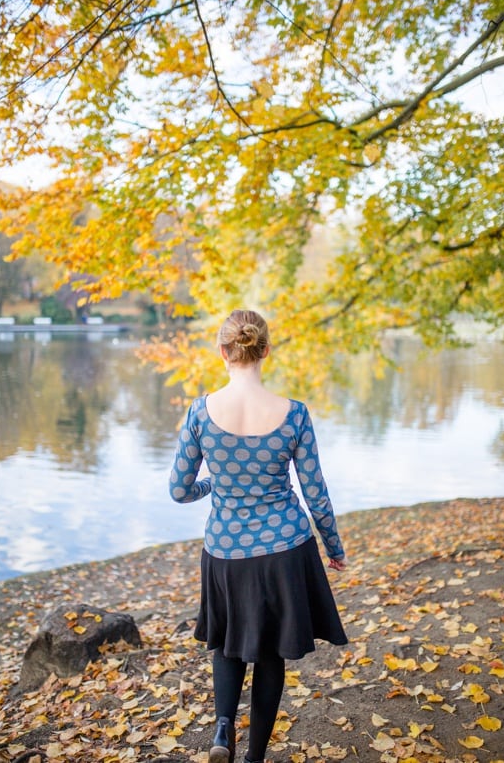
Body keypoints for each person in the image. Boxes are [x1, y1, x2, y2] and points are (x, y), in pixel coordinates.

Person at [168, 309, 347, 763]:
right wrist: (333, 546)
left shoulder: (200, 413)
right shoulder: (295, 415)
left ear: (223, 351)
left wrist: (213, 485)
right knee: (270, 655)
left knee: (228, 644)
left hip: (225, 550)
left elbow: (178, 489)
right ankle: (254, 759)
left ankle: (223, 731)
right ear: (265, 349)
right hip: (285, 550)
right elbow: (316, 493)